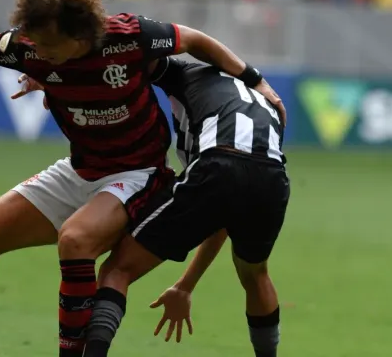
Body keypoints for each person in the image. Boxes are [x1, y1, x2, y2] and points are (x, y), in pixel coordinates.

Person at [0, 0, 286, 357]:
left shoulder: (130, 37)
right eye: (35, 42)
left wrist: (254, 79)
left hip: (138, 173)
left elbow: (194, 40)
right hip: (82, 168)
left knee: (76, 240)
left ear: (83, 34)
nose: (40, 51)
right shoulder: (29, 46)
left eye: (50, 44)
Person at [81, 57, 290, 357]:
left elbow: (136, 60)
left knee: (118, 269)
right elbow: (221, 216)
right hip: (272, 177)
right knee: (255, 276)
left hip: (219, 163)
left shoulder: (184, 74)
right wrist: (185, 286)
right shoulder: (255, 96)